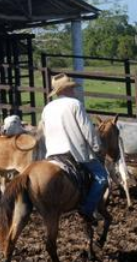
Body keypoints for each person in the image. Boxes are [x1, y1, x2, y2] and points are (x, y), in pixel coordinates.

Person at [42, 73, 108, 222]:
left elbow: (46, 132)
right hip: (73, 153)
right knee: (101, 177)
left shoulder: (47, 108)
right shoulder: (75, 104)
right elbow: (88, 130)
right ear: (66, 89)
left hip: (52, 154)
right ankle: (87, 208)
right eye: (71, 88)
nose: (73, 90)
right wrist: (97, 148)